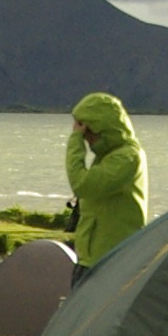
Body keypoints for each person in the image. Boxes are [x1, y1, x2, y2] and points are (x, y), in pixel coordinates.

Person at [64, 91, 147, 265]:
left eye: (87, 133)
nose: (87, 140)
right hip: (93, 258)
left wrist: (75, 140)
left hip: (111, 260)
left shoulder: (127, 158)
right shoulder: (107, 156)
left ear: (102, 129)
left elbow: (81, 185)